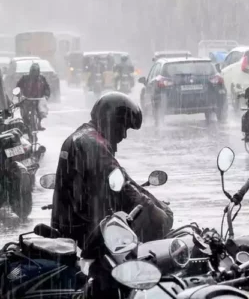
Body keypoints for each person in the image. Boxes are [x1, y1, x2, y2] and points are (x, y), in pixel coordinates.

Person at [51, 92, 173, 249]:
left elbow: (119, 177)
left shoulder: (83, 136)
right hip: (86, 231)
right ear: (111, 121)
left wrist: (152, 201)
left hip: (70, 225)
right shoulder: (93, 144)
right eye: (123, 127)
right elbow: (122, 186)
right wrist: (153, 210)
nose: (123, 136)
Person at [16, 62, 51, 131]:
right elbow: (18, 87)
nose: (34, 73)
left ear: (38, 71)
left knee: (41, 112)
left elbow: (47, 88)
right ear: (30, 71)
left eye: (36, 71)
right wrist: (20, 94)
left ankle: (39, 124)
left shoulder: (42, 78)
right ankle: (26, 125)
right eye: (33, 71)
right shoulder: (24, 78)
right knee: (24, 113)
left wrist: (46, 95)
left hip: (38, 99)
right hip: (27, 99)